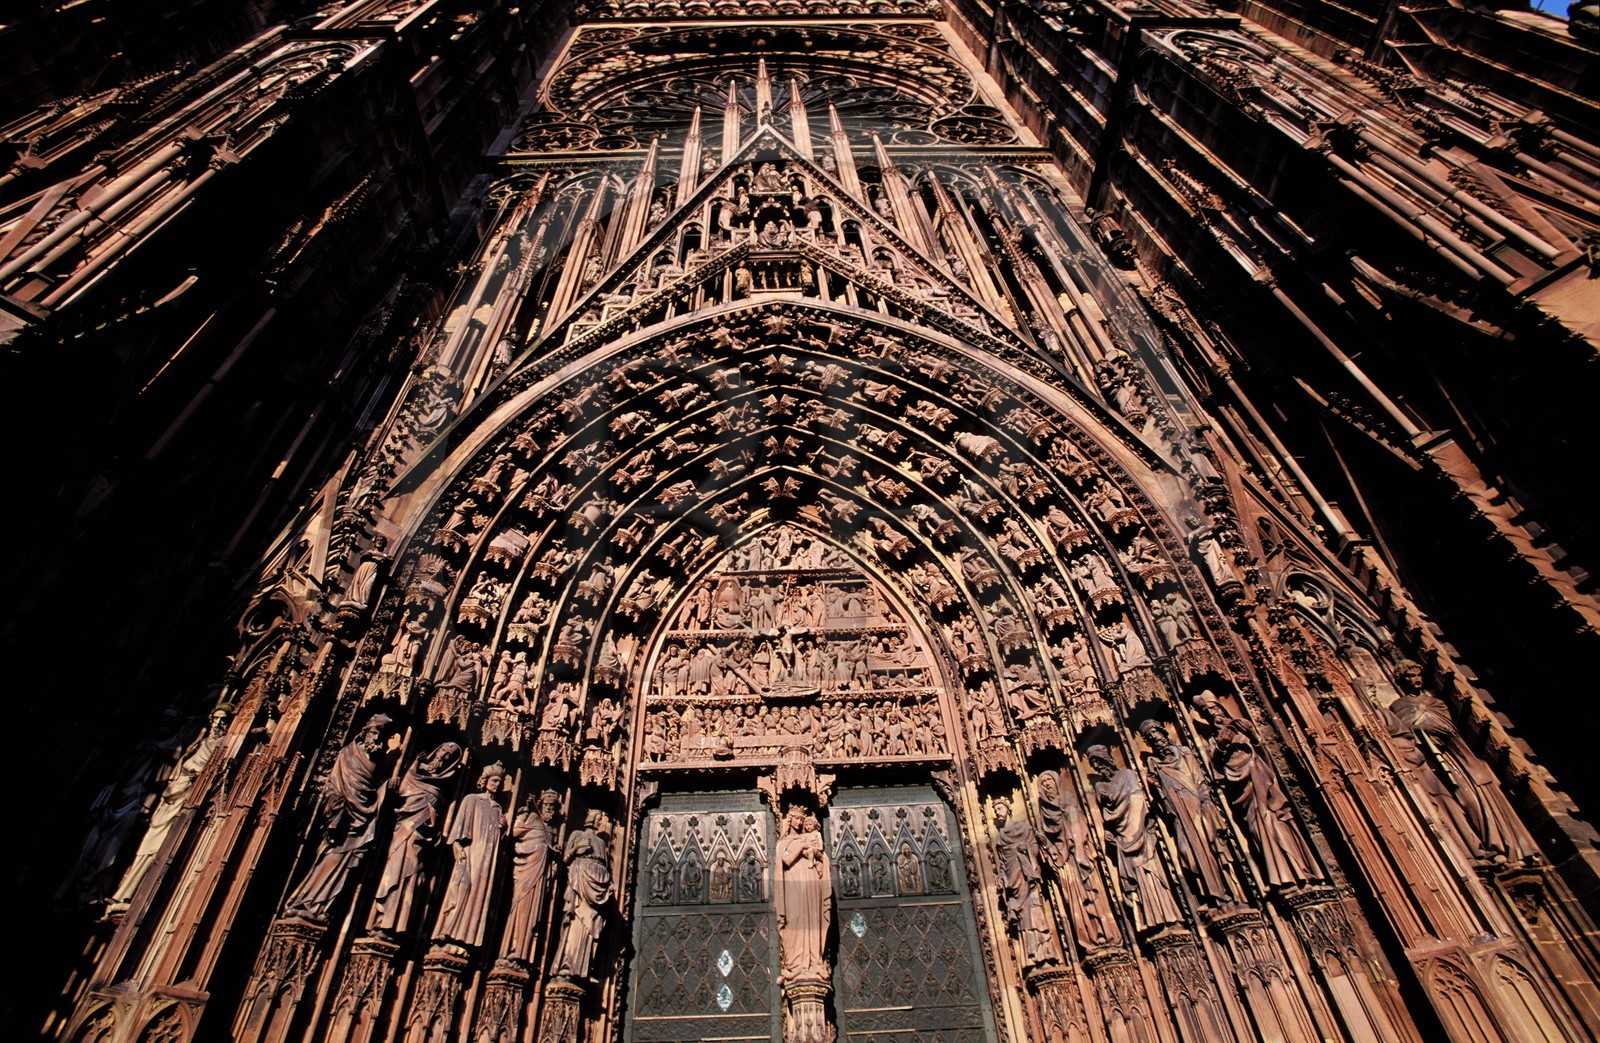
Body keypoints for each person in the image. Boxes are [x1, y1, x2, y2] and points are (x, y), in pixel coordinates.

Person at [283, 714, 393, 922]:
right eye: (376, 733)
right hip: (340, 819)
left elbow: (377, 789)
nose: (378, 739)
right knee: (328, 857)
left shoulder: (381, 763)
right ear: (366, 733)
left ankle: (319, 906)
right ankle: (305, 901)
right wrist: (335, 805)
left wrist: (388, 785)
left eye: (382, 735)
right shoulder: (347, 755)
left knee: (344, 865)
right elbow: (332, 785)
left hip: (360, 823)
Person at [368, 742, 463, 935]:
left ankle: (398, 922)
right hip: (402, 833)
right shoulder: (415, 772)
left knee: (414, 877)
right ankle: (381, 917)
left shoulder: (443, 785)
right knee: (393, 871)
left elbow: (439, 821)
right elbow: (399, 799)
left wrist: (431, 822)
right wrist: (392, 785)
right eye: (442, 753)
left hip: (420, 839)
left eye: (448, 759)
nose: (442, 759)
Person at [433, 764, 509, 951]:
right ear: (484, 781)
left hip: (486, 860)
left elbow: (497, 839)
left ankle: (465, 936)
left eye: (499, 782)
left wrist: (505, 828)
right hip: (470, 853)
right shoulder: (472, 799)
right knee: (461, 887)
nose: (497, 785)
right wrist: (457, 846)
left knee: (478, 894)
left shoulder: (497, 809)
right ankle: (447, 929)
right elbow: (459, 827)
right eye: (494, 781)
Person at [500, 790, 562, 964]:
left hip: (541, 875)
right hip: (526, 871)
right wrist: (524, 810)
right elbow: (516, 831)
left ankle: (524, 952)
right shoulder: (533, 819)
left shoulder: (552, 829)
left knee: (535, 913)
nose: (549, 809)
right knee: (520, 905)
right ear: (540, 806)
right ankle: (511, 948)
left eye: (553, 807)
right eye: (547, 805)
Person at [551, 810, 615, 981]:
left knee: (592, 926)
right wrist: (577, 849)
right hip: (580, 882)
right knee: (578, 921)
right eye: (599, 819)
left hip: (598, 886)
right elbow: (566, 857)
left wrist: (608, 884)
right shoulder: (577, 834)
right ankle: (568, 966)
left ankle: (584, 967)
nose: (601, 822)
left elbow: (605, 865)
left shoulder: (601, 843)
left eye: (602, 819)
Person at [774, 806, 832, 983]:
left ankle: (815, 962)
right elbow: (786, 859)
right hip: (793, 885)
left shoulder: (811, 837)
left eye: (802, 819)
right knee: (796, 919)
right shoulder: (784, 842)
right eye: (797, 819)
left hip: (811, 882)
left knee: (813, 919)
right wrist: (802, 846)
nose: (800, 823)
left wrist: (820, 858)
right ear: (789, 820)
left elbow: (822, 859)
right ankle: (795, 964)